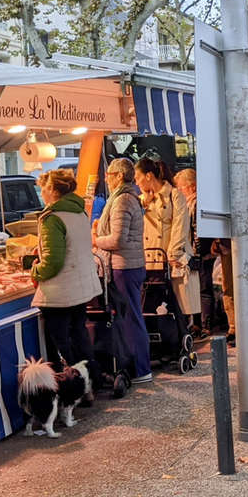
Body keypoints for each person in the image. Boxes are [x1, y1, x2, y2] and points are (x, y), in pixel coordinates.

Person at [31, 169, 101, 383]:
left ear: (52, 189)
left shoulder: (52, 218)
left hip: (60, 291)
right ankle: (91, 382)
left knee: (61, 341)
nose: (41, 193)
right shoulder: (80, 212)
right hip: (81, 287)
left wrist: (35, 270)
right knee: (79, 335)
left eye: (43, 188)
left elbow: (53, 262)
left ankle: (72, 385)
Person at [93, 158, 152, 384]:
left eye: (109, 174)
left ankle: (140, 368)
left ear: (119, 176)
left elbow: (117, 239)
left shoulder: (122, 201)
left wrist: (97, 239)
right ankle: (136, 365)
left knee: (131, 318)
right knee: (131, 317)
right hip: (127, 264)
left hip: (124, 266)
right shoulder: (126, 199)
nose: (106, 179)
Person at [135, 159, 198, 328]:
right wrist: (145, 202)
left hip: (171, 258)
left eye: (138, 177)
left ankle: (181, 338)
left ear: (148, 176)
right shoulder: (142, 200)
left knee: (178, 304)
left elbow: (180, 225)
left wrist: (173, 253)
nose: (136, 181)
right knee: (154, 303)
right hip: (151, 258)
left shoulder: (174, 195)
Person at [173, 168, 206, 338]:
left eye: (181, 188)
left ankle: (202, 325)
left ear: (192, 187)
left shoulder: (195, 203)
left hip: (195, 251)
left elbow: (196, 230)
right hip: (191, 251)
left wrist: (197, 252)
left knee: (200, 289)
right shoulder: (186, 203)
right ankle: (198, 324)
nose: (179, 191)